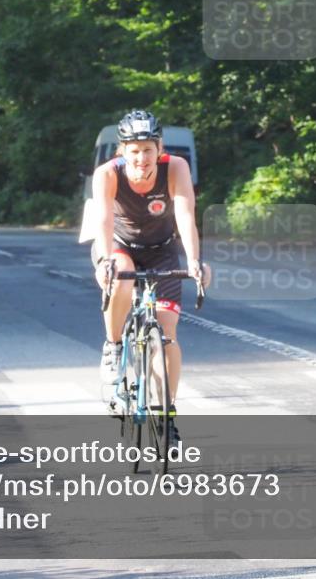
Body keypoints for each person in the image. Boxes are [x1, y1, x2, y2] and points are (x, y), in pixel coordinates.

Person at [90, 110, 209, 447]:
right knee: (121, 278)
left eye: (147, 150)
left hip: (162, 250)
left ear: (159, 149)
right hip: (119, 245)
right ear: (122, 151)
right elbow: (103, 221)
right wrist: (105, 262)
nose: (141, 158)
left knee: (167, 334)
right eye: (134, 150)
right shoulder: (107, 174)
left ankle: (166, 415)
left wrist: (195, 262)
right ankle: (113, 346)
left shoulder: (176, 168)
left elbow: (185, 215)